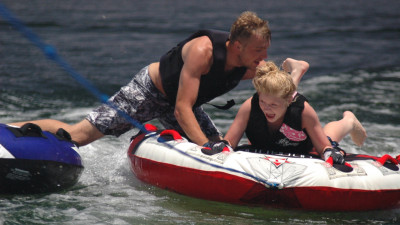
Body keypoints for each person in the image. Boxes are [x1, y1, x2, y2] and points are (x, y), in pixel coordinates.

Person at [9, 12, 304, 150]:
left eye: (266, 49)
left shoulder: (253, 66)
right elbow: (181, 110)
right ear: (236, 45)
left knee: (219, 147)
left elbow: (279, 93)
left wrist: (296, 70)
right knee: (77, 137)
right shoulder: (202, 51)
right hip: (149, 91)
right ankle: (9, 131)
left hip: (183, 103)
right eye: (258, 50)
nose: (264, 57)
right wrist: (204, 148)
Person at [223, 59, 367, 163]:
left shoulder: (303, 112)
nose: (266, 108)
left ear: (288, 101)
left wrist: (328, 151)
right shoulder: (251, 106)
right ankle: (298, 70)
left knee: (328, 137)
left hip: (303, 146)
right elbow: (229, 142)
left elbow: (324, 148)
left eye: (273, 105)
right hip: (267, 142)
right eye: (263, 102)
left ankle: (349, 120)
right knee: (276, 97)